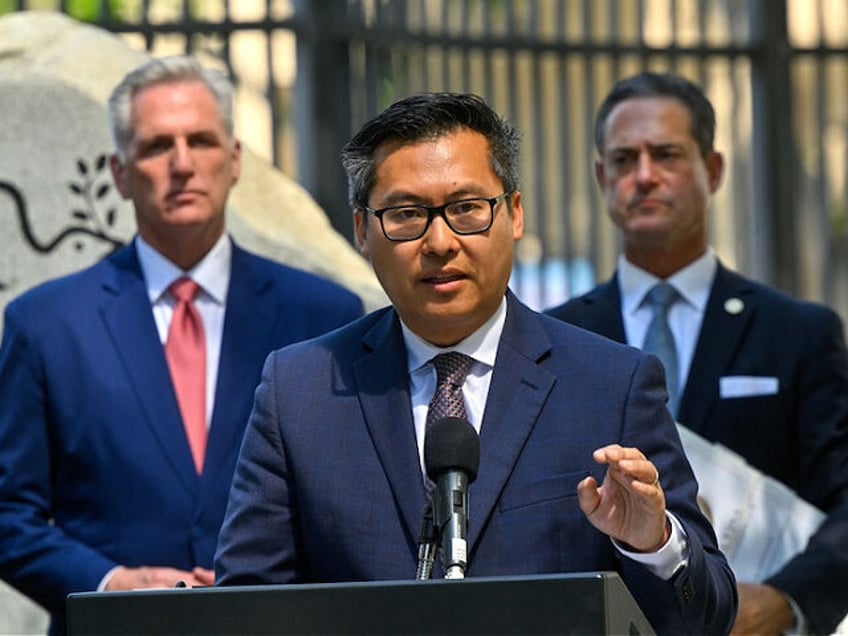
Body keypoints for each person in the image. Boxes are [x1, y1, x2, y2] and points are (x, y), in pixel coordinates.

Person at [214, 91, 737, 634]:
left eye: (466, 208)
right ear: (363, 232)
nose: (440, 242)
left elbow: (710, 617)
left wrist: (650, 543)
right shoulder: (299, 392)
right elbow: (245, 607)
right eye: (407, 214)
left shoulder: (612, 385)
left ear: (513, 213)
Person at [0, 55, 363, 635]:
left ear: (235, 160)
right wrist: (109, 582)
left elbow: (353, 502)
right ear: (119, 172)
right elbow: (9, 514)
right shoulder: (45, 324)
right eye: (155, 146)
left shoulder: (324, 316)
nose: (182, 164)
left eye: (201, 140)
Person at [545, 71, 848, 635]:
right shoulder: (553, 338)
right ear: (600, 177)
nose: (643, 176)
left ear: (713, 170)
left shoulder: (797, 334)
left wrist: (787, 599)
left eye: (666, 155)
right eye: (623, 159)